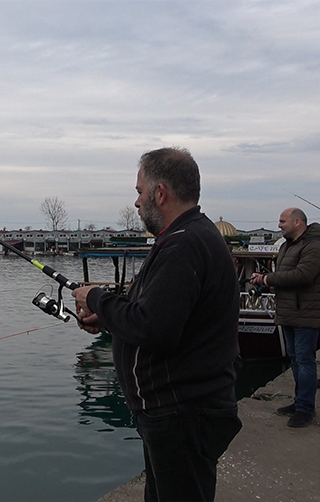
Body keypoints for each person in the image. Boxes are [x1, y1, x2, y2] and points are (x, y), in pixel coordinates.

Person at [72, 147, 241, 502]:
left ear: (160, 193)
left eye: (139, 192)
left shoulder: (184, 246)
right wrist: (109, 319)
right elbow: (163, 317)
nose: (135, 203)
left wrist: (97, 299)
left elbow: (155, 330)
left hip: (182, 414)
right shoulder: (191, 237)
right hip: (181, 412)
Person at [250, 208, 320, 428]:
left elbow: (303, 275)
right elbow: (284, 277)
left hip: (306, 312)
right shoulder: (286, 246)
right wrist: (265, 279)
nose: (279, 225)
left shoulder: (316, 246)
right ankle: (299, 402)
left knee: (305, 360)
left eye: (282, 221)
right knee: (295, 359)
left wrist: (267, 279)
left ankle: (305, 409)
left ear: (297, 222)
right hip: (289, 312)